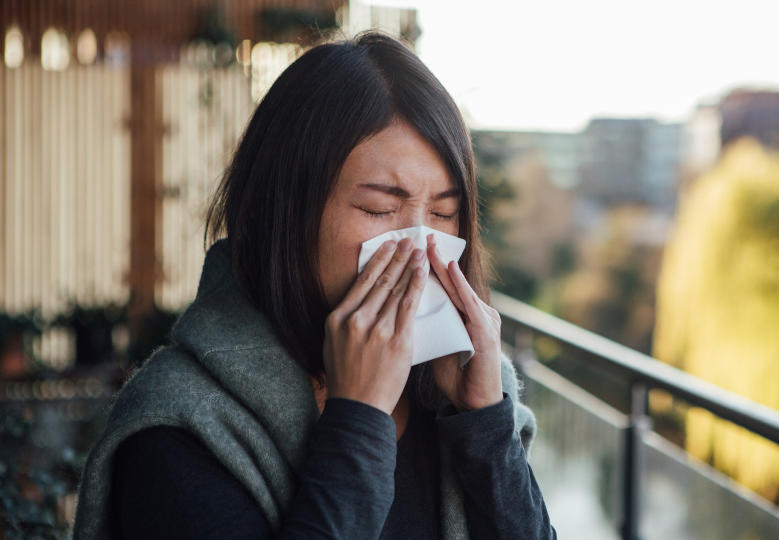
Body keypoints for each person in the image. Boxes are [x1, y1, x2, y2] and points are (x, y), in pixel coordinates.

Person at [71, 30, 556, 539]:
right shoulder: (183, 424)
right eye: (379, 209)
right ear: (287, 210)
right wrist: (359, 420)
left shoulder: (455, 393)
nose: (419, 250)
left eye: (443, 212)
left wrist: (486, 427)